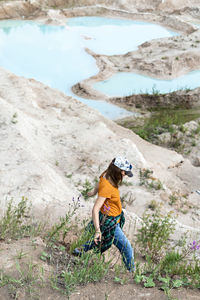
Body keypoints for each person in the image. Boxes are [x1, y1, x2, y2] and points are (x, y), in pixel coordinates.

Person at [74, 157, 135, 272]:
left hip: (108, 217)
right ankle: (132, 273)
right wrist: (97, 230)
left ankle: (78, 251)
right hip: (109, 221)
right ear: (119, 172)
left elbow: (100, 182)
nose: (126, 175)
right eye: (125, 173)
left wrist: (93, 192)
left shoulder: (106, 174)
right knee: (127, 248)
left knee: (96, 240)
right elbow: (95, 209)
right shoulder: (108, 187)